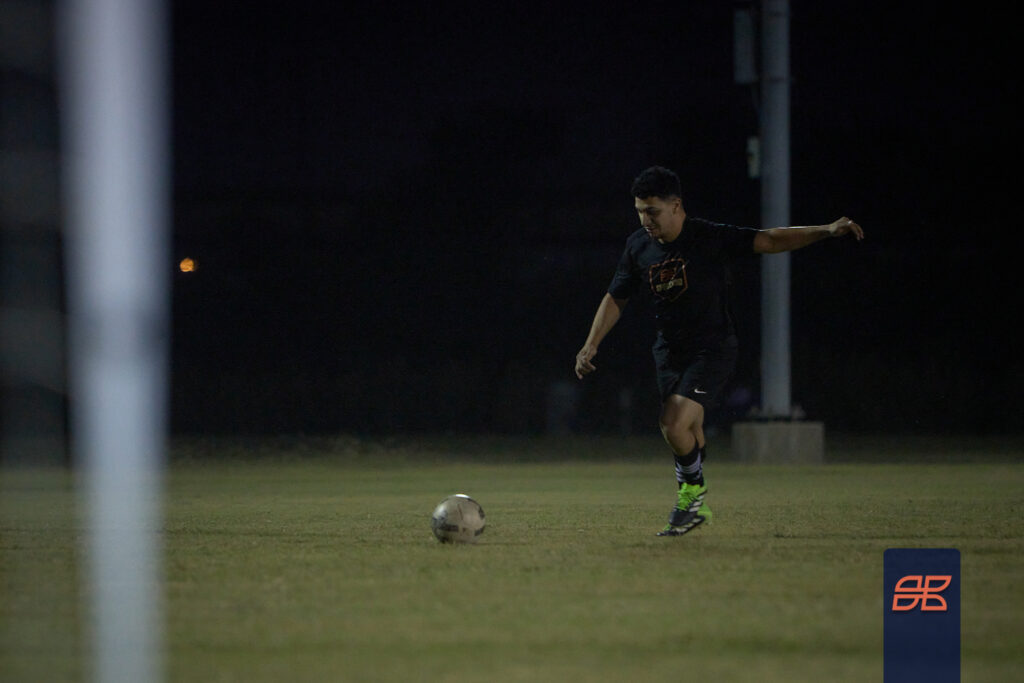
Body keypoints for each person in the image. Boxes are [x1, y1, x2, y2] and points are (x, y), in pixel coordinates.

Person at [574, 166, 863, 537]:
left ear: (676, 205)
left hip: (711, 347)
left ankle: (692, 498)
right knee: (688, 430)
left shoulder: (707, 237)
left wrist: (825, 230)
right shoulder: (638, 246)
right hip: (668, 351)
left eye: (653, 211)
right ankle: (697, 498)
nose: (646, 220)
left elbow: (769, 240)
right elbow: (616, 296)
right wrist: (591, 343)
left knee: (673, 422)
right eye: (640, 211)